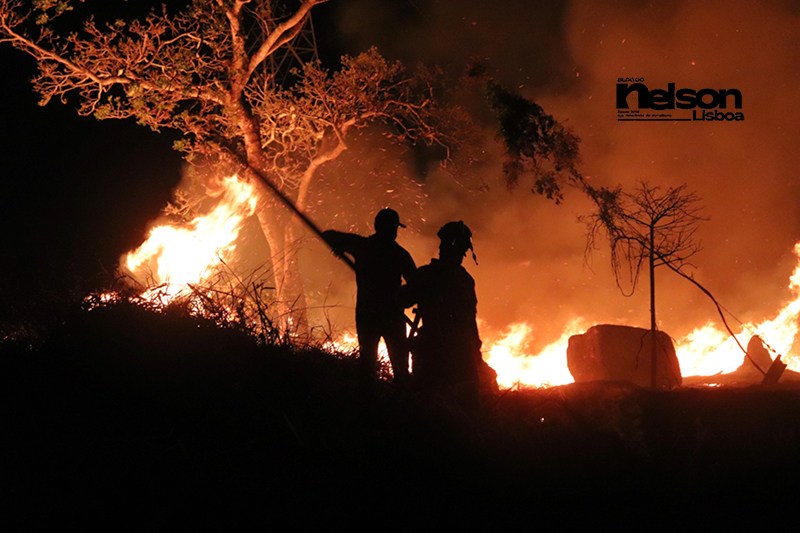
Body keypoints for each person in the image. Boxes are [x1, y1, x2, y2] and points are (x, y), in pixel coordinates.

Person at [401, 221, 491, 408]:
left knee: (428, 404)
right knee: (463, 405)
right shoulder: (465, 280)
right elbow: (470, 320)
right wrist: (476, 352)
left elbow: (402, 301)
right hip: (458, 352)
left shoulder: (428, 274)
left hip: (435, 349)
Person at [322, 208, 416, 385]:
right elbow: (415, 284)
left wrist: (340, 247)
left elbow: (328, 235)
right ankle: (402, 403)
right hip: (392, 316)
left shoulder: (363, 246)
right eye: (393, 228)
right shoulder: (399, 254)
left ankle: (367, 400)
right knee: (400, 366)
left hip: (368, 314)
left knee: (368, 363)